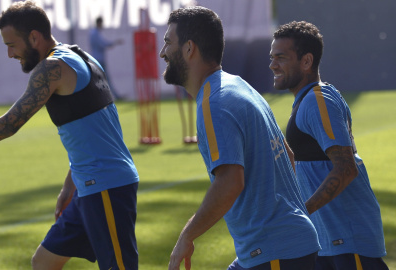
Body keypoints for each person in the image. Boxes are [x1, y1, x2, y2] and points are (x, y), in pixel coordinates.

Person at [0, 1, 139, 270]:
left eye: (11, 45)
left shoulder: (51, 68)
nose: (10, 54)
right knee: (43, 262)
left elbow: (9, 124)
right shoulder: (80, 56)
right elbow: (93, 130)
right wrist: (70, 185)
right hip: (88, 185)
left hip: (106, 185)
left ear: (34, 37)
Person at [160, 6, 320, 270]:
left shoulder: (213, 102)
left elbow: (230, 182)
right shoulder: (237, 85)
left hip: (276, 252)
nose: (162, 52)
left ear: (189, 48)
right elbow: (288, 156)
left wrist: (186, 236)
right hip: (278, 249)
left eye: (168, 42)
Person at [269, 21, 388, 270]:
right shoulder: (308, 99)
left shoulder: (317, 101)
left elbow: (346, 168)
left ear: (306, 61)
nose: (272, 65)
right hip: (330, 239)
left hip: (348, 239)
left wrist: (301, 213)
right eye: (272, 57)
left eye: (280, 57)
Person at [89, 16, 123, 99]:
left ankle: (104, 96)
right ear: (99, 23)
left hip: (96, 59)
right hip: (99, 60)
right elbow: (103, 44)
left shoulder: (93, 33)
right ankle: (111, 96)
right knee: (104, 78)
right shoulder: (95, 33)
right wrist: (115, 42)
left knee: (98, 79)